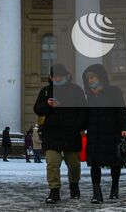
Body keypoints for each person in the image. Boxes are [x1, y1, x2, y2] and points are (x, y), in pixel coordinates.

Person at [33, 62, 86, 204]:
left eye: (60, 76)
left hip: (71, 134)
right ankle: (54, 191)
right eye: (54, 76)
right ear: (50, 77)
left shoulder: (76, 90)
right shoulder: (45, 91)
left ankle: (74, 185)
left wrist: (78, 126)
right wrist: (47, 105)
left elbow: (83, 112)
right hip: (52, 135)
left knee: (74, 165)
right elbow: (37, 109)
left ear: (66, 76)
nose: (57, 78)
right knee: (52, 164)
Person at [81, 64, 126, 204]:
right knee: (94, 164)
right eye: (87, 78)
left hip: (111, 134)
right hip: (94, 135)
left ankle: (114, 188)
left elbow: (121, 112)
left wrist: (125, 127)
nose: (89, 80)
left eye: (92, 77)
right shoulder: (88, 96)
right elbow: (85, 116)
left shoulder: (114, 92)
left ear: (101, 77)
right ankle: (97, 193)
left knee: (115, 163)